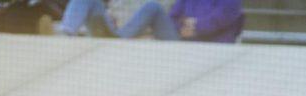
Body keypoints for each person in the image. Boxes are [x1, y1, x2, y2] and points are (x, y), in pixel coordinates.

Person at [54, 0, 244, 42]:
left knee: (152, 7)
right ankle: (66, 30)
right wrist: (183, 25)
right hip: (178, 36)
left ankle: (116, 38)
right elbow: (173, 17)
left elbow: (224, 18)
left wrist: (196, 27)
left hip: (198, 45)